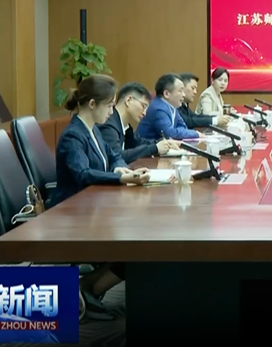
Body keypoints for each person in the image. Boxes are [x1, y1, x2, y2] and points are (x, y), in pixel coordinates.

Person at [53, 75, 159, 320]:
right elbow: (82, 174)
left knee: (141, 236)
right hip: (72, 213)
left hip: (94, 207)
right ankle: (89, 290)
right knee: (139, 241)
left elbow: (114, 156)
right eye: (110, 105)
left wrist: (121, 168)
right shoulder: (73, 136)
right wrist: (121, 179)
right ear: (92, 104)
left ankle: (89, 288)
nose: (112, 111)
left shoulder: (92, 130)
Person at [97, 82, 181, 164]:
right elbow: (116, 156)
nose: (144, 113)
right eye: (143, 106)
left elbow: (137, 142)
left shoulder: (124, 125)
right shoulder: (108, 124)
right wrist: (155, 148)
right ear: (129, 100)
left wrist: (165, 143)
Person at [136, 74, 200, 140]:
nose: (184, 95)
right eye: (180, 91)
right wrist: (196, 133)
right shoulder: (158, 109)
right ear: (166, 94)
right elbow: (169, 134)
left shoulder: (172, 107)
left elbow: (183, 127)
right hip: (147, 145)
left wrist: (177, 132)